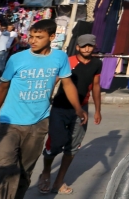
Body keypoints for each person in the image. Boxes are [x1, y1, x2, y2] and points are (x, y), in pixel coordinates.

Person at [0, 19, 86, 199]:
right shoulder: (17, 59)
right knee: (4, 168)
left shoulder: (60, 57)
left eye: (39, 37)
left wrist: (78, 108)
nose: (33, 41)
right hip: (10, 122)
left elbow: (67, 83)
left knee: (25, 171)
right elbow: (2, 88)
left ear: (52, 37)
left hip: (39, 123)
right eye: (31, 36)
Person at [38, 34, 103, 195]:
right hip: (60, 107)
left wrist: (98, 110)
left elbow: (95, 86)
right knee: (54, 144)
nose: (87, 48)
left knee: (72, 147)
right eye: (84, 45)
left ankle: (59, 181)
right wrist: (44, 100)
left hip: (82, 109)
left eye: (90, 46)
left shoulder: (97, 63)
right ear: (78, 47)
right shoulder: (68, 61)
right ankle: (46, 173)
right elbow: (54, 80)